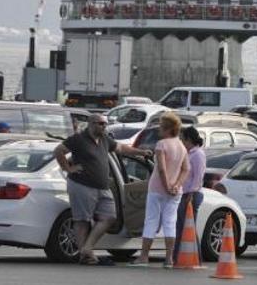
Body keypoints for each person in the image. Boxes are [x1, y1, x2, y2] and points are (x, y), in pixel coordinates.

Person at [53, 114, 151, 266]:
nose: (104, 126)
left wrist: (140, 152)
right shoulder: (79, 139)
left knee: (109, 217)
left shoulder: (105, 139)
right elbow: (59, 151)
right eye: (100, 124)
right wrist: (68, 168)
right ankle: (84, 255)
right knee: (82, 220)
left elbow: (121, 148)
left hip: (103, 187)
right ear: (91, 124)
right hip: (82, 185)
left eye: (105, 124)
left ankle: (87, 248)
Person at [131, 113, 190, 268]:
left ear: (168, 128)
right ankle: (169, 259)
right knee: (170, 222)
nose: (159, 130)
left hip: (157, 188)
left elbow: (162, 170)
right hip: (176, 191)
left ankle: (144, 257)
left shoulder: (161, 144)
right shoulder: (182, 146)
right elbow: (186, 169)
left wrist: (166, 185)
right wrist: (176, 185)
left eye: (161, 127)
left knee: (151, 221)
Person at [172, 126, 207, 263]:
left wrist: (191, 193)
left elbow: (198, 176)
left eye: (183, 139)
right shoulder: (188, 153)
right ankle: (178, 257)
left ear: (189, 139)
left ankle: (195, 258)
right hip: (184, 193)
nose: (181, 142)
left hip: (191, 194)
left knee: (188, 227)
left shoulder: (198, 154)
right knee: (181, 227)